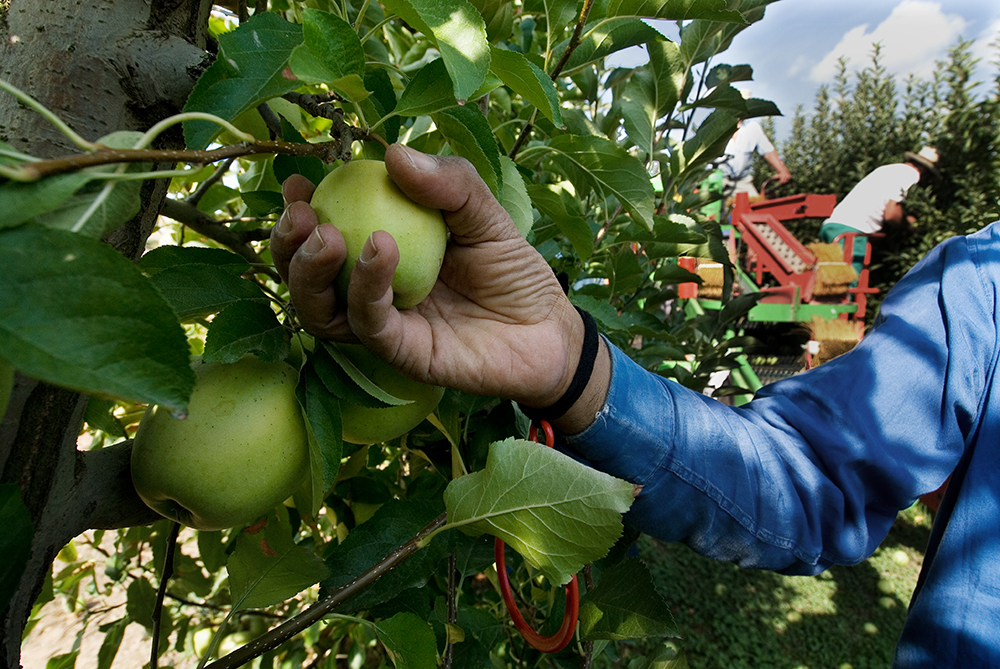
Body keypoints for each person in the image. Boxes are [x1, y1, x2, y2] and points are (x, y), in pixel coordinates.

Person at [272, 143, 997, 666]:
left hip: (829, 250)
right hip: (835, 253)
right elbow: (810, 474)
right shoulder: (982, 285)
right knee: (829, 302)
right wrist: (569, 363)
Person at [819, 147, 942, 277]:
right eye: (928, 175)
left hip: (831, 226)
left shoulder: (889, 169)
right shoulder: (909, 174)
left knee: (828, 282)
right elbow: (891, 214)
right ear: (923, 170)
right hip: (851, 233)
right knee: (848, 285)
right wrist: (909, 225)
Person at [719, 119, 791, 199]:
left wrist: (782, 171)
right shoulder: (716, 126)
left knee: (757, 208)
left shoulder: (752, 128)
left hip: (742, 181)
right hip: (717, 180)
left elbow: (767, 150)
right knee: (714, 209)